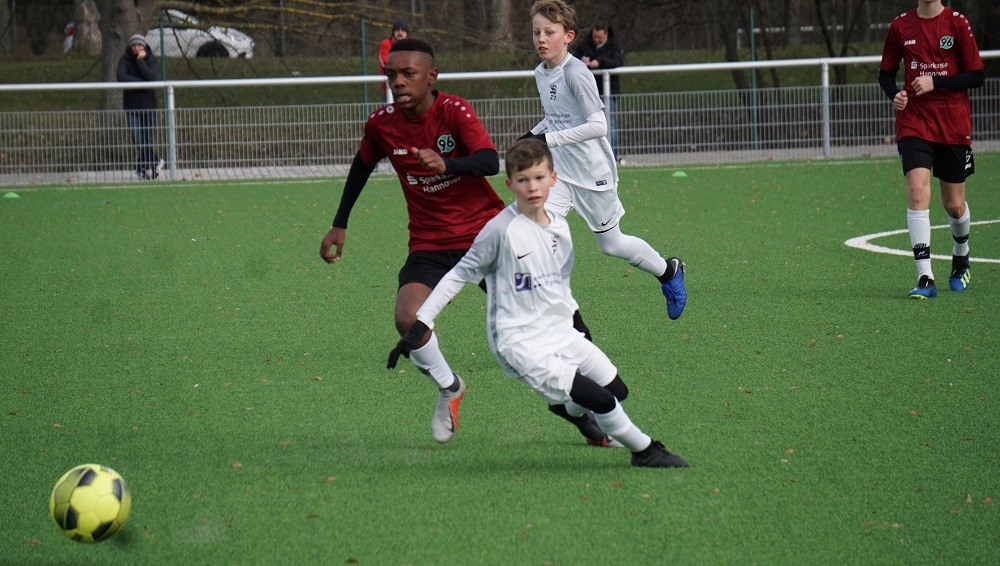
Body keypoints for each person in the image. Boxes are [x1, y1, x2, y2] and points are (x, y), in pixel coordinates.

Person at [320, 38, 610, 446]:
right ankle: (449, 387)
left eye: (408, 74)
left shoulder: (454, 110)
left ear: (431, 77)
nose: (398, 82)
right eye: (391, 75)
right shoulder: (381, 123)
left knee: (558, 319)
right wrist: (339, 223)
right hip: (430, 242)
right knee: (407, 319)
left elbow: (490, 160)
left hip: (488, 235)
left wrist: (447, 163)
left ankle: (583, 409)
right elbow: (362, 164)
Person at [388, 138, 689, 468]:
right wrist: (422, 322)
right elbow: (458, 275)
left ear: (553, 179)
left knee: (617, 391)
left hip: (557, 330)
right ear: (510, 185)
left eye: (539, 177)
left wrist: (575, 321)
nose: (532, 187)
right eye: (523, 180)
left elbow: (558, 282)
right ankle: (645, 450)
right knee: (601, 400)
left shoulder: (558, 225)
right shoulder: (499, 231)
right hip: (518, 341)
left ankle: (567, 409)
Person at [526, 0, 687, 320]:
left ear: (568, 36)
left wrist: (547, 139)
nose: (541, 39)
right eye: (536, 32)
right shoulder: (540, 72)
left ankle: (668, 271)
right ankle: (550, 306)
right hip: (559, 171)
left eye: (549, 32)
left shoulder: (576, 73)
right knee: (536, 228)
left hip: (591, 174)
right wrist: (531, 135)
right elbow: (556, 117)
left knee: (611, 245)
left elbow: (599, 126)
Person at [878, 0, 984, 299]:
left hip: (952, 125)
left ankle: (961, 255)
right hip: (914, 122)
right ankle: (925, 277)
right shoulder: (900, 25)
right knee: (917, 193)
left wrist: (935, 81)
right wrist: (894, 94)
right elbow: (886, 74)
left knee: (954, 205)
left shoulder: (957, 23)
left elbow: (976, 76)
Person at [572, 21, 623, 161]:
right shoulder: (584, 44)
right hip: (588, 91)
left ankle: (611, 156)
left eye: (599, 37)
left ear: (606, 34)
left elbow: (618, 62)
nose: (596, 40)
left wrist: (599, 62)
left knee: (609, 123)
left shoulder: (614, 45)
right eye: (594, 36)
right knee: (586, 124)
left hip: (609, 91)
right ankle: (591, 157)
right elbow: (572, 60)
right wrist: (581, 61)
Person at [116, 33, 163, 181]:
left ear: (144, 46)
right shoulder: (124, 60)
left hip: (149, 105)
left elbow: (150, 76)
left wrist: (140, 61)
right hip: (131, 106)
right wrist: (141, 83)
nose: (137, 48)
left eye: (139, 45)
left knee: (148, 139)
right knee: (137, 138)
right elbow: (121, 77)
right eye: (134, 46)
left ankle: (141, 169)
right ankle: (155, 161)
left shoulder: (151, 59)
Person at [377, 19, 409, 102]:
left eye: (403, 30)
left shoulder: (412, 44)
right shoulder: (385, 44)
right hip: (390, 89)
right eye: (397, 30)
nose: (400, 33)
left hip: (408, 88)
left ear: (406, 33)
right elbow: (386, 64)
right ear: (393, 32)